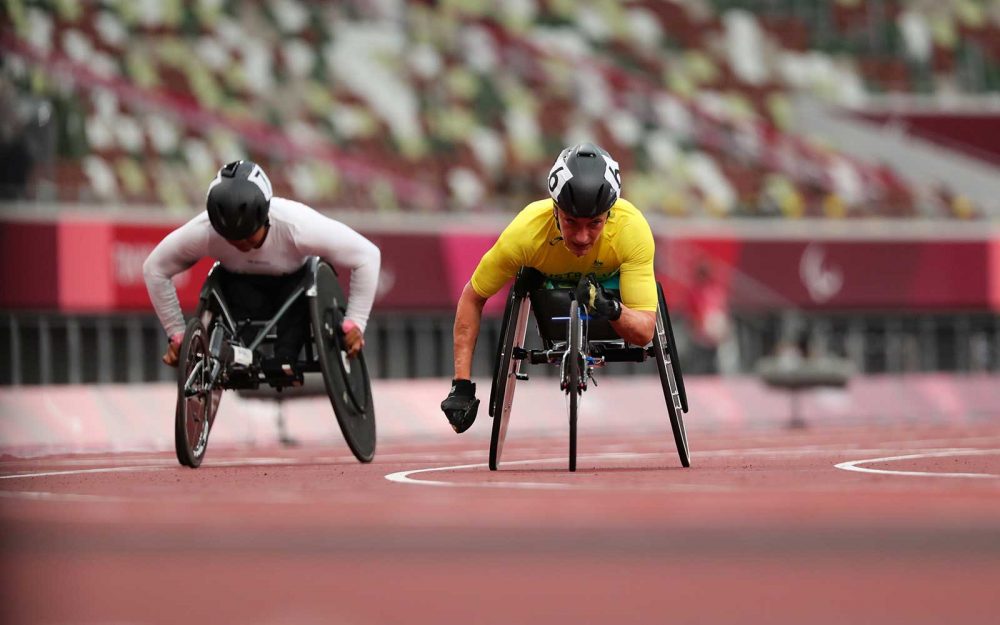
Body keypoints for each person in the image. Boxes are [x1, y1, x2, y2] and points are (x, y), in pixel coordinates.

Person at [440, 143, 658, 433]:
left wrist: (611, 308)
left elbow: (644, 333)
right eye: (571, 222)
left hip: (611, 290)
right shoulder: (525, 233)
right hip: (550, 290)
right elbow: (473, 297)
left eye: (594, 223)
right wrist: (461, 384)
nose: (581, 237)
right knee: (529, 279)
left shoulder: (632, 229)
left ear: (610, 214)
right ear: (555, 210)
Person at [143, 160, 381, 379]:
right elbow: (154, 269)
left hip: (294, 293)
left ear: (265, 216)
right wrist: (177, 334)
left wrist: (355, 322)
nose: (241, 243)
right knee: (228, 306)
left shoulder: (297, 226)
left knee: (284, 358)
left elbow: (368, 255)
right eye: (231, 238)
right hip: (239, 293)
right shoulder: (205, 231)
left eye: (248, 235)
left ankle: (284, 358)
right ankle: (236, 354)